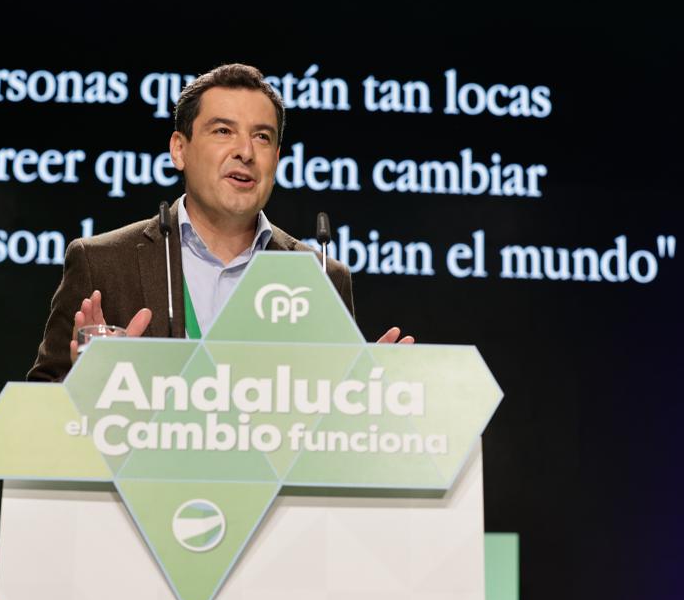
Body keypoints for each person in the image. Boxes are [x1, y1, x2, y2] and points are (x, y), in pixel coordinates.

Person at [27, 63, 411, 382]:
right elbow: (43, 402)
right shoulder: (103, 263)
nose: (245, 152)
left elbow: (326, 428)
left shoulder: (321, 275)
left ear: (276, 158)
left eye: (261, 137)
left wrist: (362, 397)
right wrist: (88, 382)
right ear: (180, 149)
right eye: (223, 131)